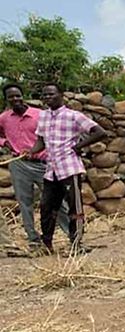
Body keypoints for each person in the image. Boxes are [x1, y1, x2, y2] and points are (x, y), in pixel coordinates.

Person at [28, 83, 108, 253]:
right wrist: (30, 152)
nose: (48, 97)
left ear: (61, 95)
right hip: (52, 170)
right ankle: (47, 244)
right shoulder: (43, 117)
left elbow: (100, 132)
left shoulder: (73, 116)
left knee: (75, 208)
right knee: (46, 207)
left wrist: (79, 147)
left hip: (70, 167)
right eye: (45, 95)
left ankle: (76, 244)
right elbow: (41, 141)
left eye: (51, 94)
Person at [0, 83, 71, 244]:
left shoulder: (40, 115)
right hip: (19, 164)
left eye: (17, 95)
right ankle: (33, 239)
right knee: (24, 203)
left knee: (57, 202)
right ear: (6, 99)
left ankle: (72, 237)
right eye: (11, 97)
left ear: (22, 95)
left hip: (43, 164)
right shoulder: (4, 118)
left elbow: (53, 135)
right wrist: (5, 142)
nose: (15, 99)